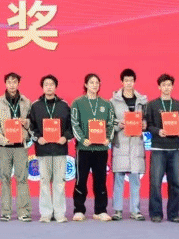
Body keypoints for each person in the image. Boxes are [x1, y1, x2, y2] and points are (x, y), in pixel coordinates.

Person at [71, 73, 116, 221]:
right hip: (83, 149)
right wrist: (82, 139)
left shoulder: (106, 104)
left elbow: (111, 123)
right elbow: (74, 123)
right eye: (91, 82)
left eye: (97, 82)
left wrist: (108, 139)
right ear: (85, 85)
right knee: (81, 180)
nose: (94, 85)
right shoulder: (78, 102)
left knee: (100, 181)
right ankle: (79, 210)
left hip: (101, 150)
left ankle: (100, 210)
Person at [29, 74, 72, 223]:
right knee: (44, 182)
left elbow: (71, 127)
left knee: (59, 182)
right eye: (46, 84)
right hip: (43, 150)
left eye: (51, 84)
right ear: (42, 87)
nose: (49, 87)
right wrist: (38, 137)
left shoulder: (64, 105)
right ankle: (46, 213)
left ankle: (59, 213)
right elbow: (31, 127)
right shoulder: (36, 106)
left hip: (60, 149)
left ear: (56, 87)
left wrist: (65, 137)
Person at [144, 74, 179, 223]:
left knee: (176, 183)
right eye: (164, 85)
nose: (166, 87)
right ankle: (156, 213)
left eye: (169, 85)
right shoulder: (152, 105)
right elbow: (148, 125)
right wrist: (158, 131)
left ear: (172, 87)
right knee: (155, 183)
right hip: (158, 148)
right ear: (159, 87)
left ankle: (173, 214)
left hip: (174, 149)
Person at [0, 72, 32, 222]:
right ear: (5, 84)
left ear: (18, 83)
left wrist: (26, 123)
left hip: (21, 146)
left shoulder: (26, 102)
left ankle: (24, 211)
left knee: (22, 178)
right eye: (9, 82)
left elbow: (32, 122)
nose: (12, 85)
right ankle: (6, 211)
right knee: (4, 178)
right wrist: (3, 139)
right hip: (5, 146)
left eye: (14, 82)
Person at [109, 68, 148, 221]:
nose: (129, 83)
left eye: (131, 80)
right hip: (121, 143)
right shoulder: (113, 101)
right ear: (121, 82)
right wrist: (119, 124)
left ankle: (135, 210)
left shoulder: (142, 101)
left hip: (136, 144)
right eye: (126, 81)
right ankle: (117, 210)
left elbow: (147, 120)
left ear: (134, 82)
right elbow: (109, 123)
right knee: (118, 178)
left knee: (135, 179)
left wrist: (144, 124)